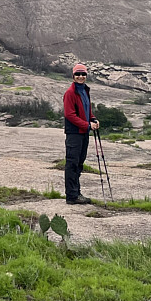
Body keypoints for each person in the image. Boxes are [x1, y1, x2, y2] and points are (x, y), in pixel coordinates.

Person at [63, 63, 98, 204]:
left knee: (79, 163)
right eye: (77, 74)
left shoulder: (85, 91)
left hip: (83, 132)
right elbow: (70, 115)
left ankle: (76, 193)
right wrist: (87, 125)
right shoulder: (70, 93)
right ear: (73, 76)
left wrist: (93, 119)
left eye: (83, 74)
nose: (80, 76)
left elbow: (87, 110)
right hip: (74, 133)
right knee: (72, 164)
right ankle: (71, 196)